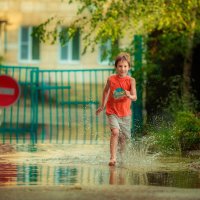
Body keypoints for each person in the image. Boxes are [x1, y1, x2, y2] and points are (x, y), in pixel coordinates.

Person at [96, 52, 137, 166]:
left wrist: (129, 95)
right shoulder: (111, 79)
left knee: (124, 138)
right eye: (120, 66)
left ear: (129, 67)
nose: (122, 69)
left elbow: (135, 97)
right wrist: (102, 105)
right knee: (115, 132)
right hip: (112, 111)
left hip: (125, 114)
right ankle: (113, 158)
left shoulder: (131, 80)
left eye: (125, 66)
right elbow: (105, 91)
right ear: (116, 67)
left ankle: (122, 157)